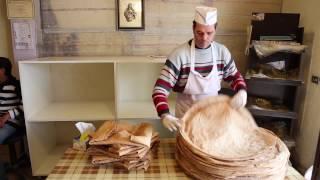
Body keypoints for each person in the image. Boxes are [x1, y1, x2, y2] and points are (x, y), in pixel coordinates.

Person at [152, 6, 247, 132]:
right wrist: (164, 114)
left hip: (212, 119)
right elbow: (159, 90)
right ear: (193, 28)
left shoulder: (221, 52)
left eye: (209, 33)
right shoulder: (179, 55)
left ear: (216, 29)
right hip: (185, 120)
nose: (204, 38)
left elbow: (234, 76)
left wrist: (242, 90)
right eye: (199, 33)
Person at [0, 57, 24, 143]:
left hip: (11, 121)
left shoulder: (16, 85)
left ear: (2, 70)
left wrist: (8, 115)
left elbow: (25, 105)